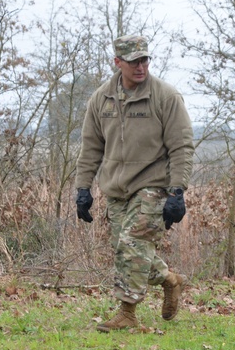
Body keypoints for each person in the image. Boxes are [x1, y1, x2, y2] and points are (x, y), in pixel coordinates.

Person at [74, 34, 194, 332]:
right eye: (133, 61)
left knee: (132, 245)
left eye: (144, 60)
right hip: (116, 188)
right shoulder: (101, 99)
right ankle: (170, 280)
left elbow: (181, 146)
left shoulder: (165, 97)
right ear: (118, 62)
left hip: (153, 185)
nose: (140, 67)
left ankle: (127, 313)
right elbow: (91, 147)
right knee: (127, 250)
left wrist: (178, 190)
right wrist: (82, 188)